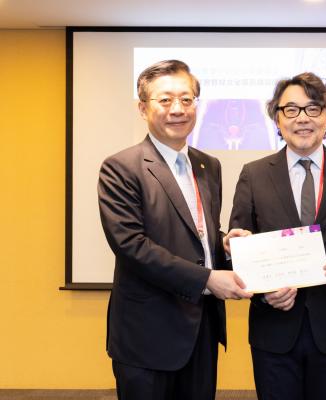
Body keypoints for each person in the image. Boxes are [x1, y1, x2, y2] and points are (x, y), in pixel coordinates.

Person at [97, 59, 252, 400]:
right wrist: (207, 279)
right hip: (147, 332)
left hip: (202, 328)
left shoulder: (208, 165)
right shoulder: (121, 167)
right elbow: (132, 246)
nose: (178, 109)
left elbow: (198, 232)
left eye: (186, 99)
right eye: (165, 100)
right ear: (143, 108)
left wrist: (224, 243)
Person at [228, 72, 326, 400]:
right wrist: (263, 293)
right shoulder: (253, 174)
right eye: (291, 110)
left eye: (313, 109)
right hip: (273, 328)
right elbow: (241, 246)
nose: (302, 118)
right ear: (277, 119)